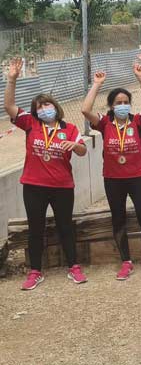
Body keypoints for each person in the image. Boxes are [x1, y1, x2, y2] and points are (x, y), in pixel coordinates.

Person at [5, 58, 88, 290]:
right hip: (34, 186)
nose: (44, 109)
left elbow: (82, 151)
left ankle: (74, 267)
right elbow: (9, 107)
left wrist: (75, 146)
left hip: (62, 186)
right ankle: (35, 271)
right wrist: (11, 79)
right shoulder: (31, 124)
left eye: (47, 105)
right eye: (39, 107)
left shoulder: (69, 128)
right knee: (35, 228)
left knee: (65, 226)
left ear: (55, 106)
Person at [81, 57, 141, 281]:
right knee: (118, 219)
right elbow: (84, 109)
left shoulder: (137, 121)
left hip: (137, 177)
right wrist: (97, 85)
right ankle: (126, 261)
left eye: (125, 101)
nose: (122, 105)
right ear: (111, 106)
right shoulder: (104, 123)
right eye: (117, 102)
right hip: (113, 179)